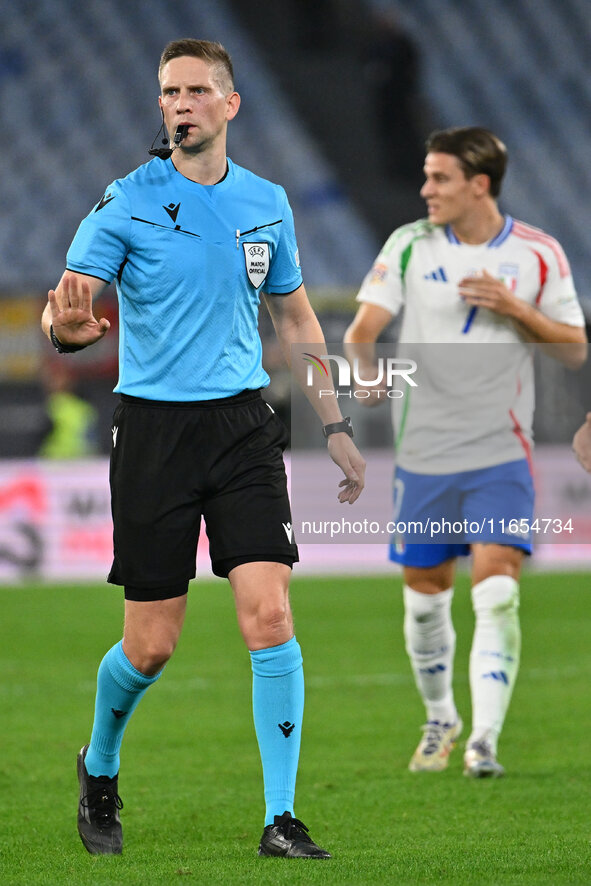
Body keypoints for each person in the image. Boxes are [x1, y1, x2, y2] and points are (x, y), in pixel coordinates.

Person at [41, 38, 365, 859]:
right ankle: (101, 766)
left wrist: (332, 422)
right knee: (151, 644)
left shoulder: (267, 203)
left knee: (271, 614)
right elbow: (66, 313)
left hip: (242, 426)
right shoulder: (123, 203)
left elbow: (294, 319)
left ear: (229, 104)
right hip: (153, 429)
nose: (177, 104)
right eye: (167, 92)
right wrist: (65, 331)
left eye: (193, 91)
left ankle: (281, 818)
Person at [345, 126, 586, 778]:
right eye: (424, 177)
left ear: (478, 184)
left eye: (439, 178)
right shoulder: (407, 246)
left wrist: (515, 309)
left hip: (499, 452)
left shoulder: (537, 254)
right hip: (423, 454)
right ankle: (439, 716)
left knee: (497, 594)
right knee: (424, 599)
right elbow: (361, 330)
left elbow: (571, 348)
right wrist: (364, 370)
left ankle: (483, 739)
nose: (425, 190)